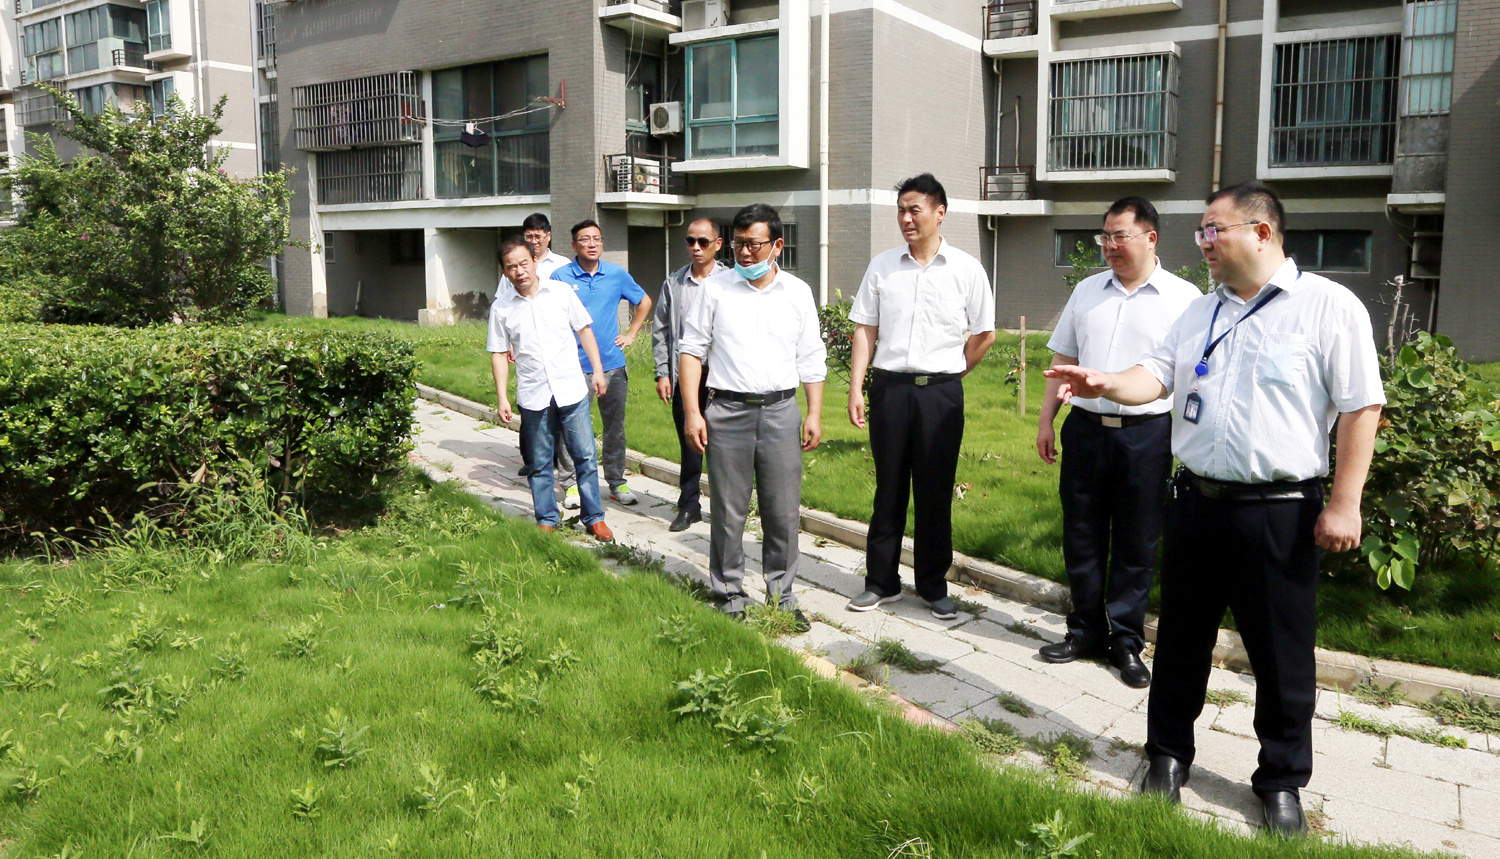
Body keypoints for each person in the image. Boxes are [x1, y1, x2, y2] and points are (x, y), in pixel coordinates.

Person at [1045, 181, 1384, 836]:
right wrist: (1106, 381)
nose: (1202, 242)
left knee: (1282, 655)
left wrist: (1346, 502)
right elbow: (1156, 376)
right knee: (1180, 641)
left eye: (1213, 229)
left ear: (1262, 232)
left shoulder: (1327, 307)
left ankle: (1280, 780)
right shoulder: (1200, 311)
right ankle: (1167, 756)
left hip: (1280, 510)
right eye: (1201, 231)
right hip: (1197, 502)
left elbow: (1360, 406)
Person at [1035, 197, 1199, 688]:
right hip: (1085, 430)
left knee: (1137, 538)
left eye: (1119, 236)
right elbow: (1062, 361)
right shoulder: (1087, 291)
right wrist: (1046, 421)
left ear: (1150, 238)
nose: (1109, 246)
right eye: (1104, 236)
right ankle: (1084, 629)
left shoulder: (1184, 298)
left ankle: (1126, 640)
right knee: (1081, 533)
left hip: (1146, 435)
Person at [843, 173, 995, 621]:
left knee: (934, 491)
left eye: (915, 210)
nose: (906, 219)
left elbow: (984, 333)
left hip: (940, 396)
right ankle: (881, 582)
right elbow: (865, 328)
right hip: (890, 389)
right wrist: (856, 386)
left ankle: (932, 585)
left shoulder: (966, 269)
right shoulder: (882, 266)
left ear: (939, 213)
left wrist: (953, 373)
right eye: (901, 211)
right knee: (888, 488)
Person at [679, 203, 826, 629]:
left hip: (780, 411)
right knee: (729, 509)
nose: (744, 252)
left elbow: (811, 355)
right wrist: (693, 413)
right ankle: (729, 592)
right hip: (727, 411)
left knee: (783, 510)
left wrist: (814, 413)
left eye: (754, 244)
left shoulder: (797, 292)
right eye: (739, 243)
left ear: (777, 245)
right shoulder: (715, 289)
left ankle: (782, 595)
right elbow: (691, 351)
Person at [487, 240, 614, 542]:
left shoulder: (561, 292)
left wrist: (597, 370)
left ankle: (594, 517)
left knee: (585, 455)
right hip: (534, 394)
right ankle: (547, 517)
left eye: (524, 263)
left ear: (534, 262)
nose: (520, 271)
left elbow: (584, 330)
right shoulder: (501, 308)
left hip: (571, 389)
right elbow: (499, 353)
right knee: (540, 462)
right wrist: (502, 397)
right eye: (511, 267)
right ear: (504, 272)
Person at [550, 219, 654, 507]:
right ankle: (571, 484)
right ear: (574, 245)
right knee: (571, 427)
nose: (592, 244)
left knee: (614, 427)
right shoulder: (560, 277)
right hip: (573, 365)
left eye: (596, 239)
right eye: (585, 239)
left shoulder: (616, 274)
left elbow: (644, 301)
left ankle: (617, 482)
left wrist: (631, 333)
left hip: (612, 364)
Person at [652, 217, 728, 532]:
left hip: (723, 378)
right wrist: (663, 373)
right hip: (686, 375)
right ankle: (689, 505)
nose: (696, 247)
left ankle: (726, 509)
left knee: (724, 446)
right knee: (690, 443)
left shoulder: (731, 282)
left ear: (718, 244)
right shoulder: (674, 283)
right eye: (690, 241)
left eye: (703, 242)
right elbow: (661, 331)